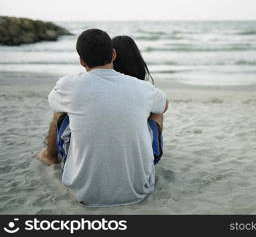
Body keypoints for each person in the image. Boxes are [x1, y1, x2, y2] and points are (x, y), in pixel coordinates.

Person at [37, 29, 168, 206]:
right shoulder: (143, 89)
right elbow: (164, 105)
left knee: (60, 112)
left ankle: (50, 156)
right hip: (138, 191)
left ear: (82, 61)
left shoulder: (68, 85)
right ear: (113, 54)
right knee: (156, 111)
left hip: (82, 192)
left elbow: (54, 103)